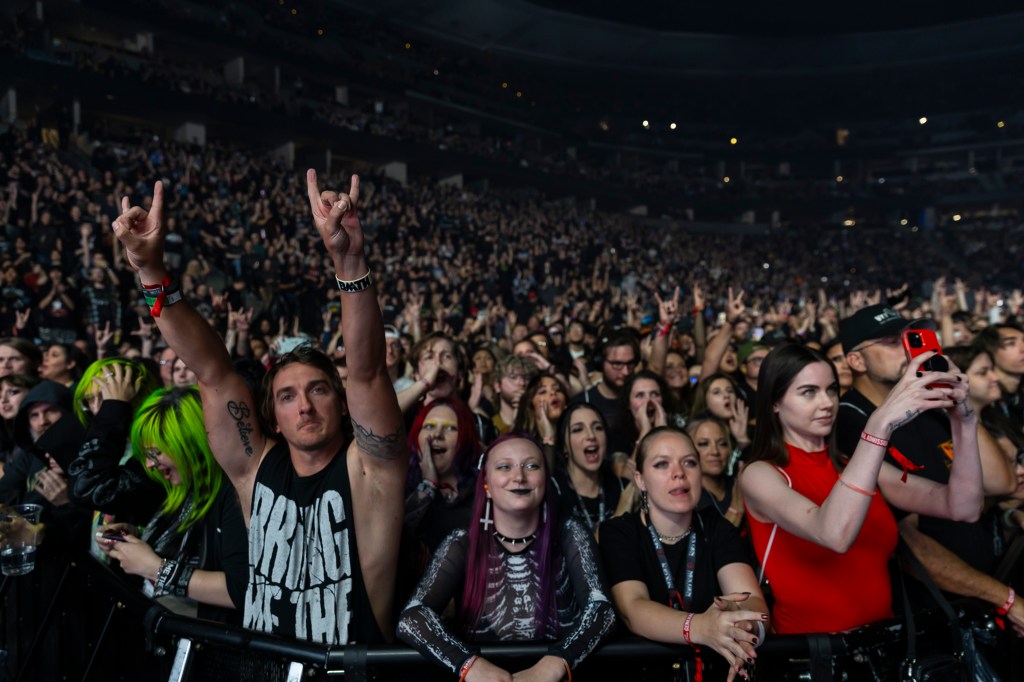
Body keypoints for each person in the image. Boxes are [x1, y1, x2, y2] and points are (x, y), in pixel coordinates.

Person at [112, 171, 407, 645]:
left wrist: (350, 262)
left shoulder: (371, 470)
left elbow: (368, 371)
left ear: (344, 403)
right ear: (271, 416)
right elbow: (211, 370)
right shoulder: (254, 470)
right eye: (288, 396)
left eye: (320, 390)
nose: (305, 407)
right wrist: (152, 274)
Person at [740, 342, 987, 634]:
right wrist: (879, 424)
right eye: (809, 392)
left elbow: (963, 507)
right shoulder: (760, 474)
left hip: (882, 647)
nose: (827, 402)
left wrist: (964, 421)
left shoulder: (850, 465)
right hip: (816, 656)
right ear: (774, 403)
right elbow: (833, 534)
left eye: (831, 389)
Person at [834, 306, 1022, 632]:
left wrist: (961, 410)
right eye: (891, 342)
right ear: (857, 361)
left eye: (909, 338)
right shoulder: (851, 422)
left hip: (978, 597)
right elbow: (908, 544)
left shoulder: (928, 402)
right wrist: (1002, 597)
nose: (906, 349)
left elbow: (1001, 483)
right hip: (928, 614)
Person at [397, 434, 616, 681]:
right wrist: (469, 665)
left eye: (532, 466)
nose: (519, 476)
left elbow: (602, 611)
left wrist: (556, 663)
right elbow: (413, 616)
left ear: (545, 479)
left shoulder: (570, 534)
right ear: (487, 484)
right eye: (504, 466)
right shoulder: (462, 543)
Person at [600, 426, 768, 680]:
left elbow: (755, 604)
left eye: (689, 462)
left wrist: (743, 624)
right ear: (640, 480)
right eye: (661, 464)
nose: (679, 473)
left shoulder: (715, 526)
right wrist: (701, 626)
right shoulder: (620, 532)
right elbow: (633, 609)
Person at [92, 387, 248, 620]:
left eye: (155, 453)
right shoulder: (181, 486)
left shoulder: (233, 496)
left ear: (189, 445)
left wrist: (155, 568)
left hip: (203, 646)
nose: (149, 464)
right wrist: (135, 535)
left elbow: (241, 590)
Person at [404, 397, 480, 553]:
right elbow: (399, 536)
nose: (437, 434)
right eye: (429, 426)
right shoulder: (401, 486)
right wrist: (428, 485)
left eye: (450, 428)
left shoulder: (482, 489)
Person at [548, 403, 626, 536]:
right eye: (578, 429)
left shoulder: (622, 487)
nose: (591, 435)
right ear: (565, 447)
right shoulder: (552, 491)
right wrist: (625, 505)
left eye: (598, 428)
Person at [687, 416, 745, 527]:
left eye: (722, 444)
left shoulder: (738, 484)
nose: (715, 451)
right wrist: (736, 511)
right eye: (704, 444)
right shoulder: (687, 495)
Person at [512, 373, 567, 464]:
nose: (553, 393)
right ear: (530, 405)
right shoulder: (522, 443)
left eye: (558, 389)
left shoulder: (572, 437)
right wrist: (548, 435)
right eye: (543, 392)